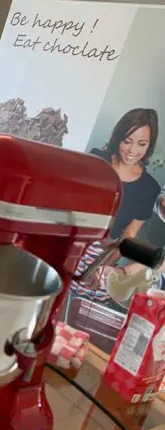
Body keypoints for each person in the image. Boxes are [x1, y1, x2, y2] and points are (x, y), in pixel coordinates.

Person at [69, 108, 161, 308]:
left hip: (102, 253)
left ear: (149, 145)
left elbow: (129, 234)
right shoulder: (97, 161)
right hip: (71, 242)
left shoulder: (149, 188)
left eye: (141, 144)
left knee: (81, 308)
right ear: (118, 137)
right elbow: (72, 203)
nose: (132, 150)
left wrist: (103, 265)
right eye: (127, 141)